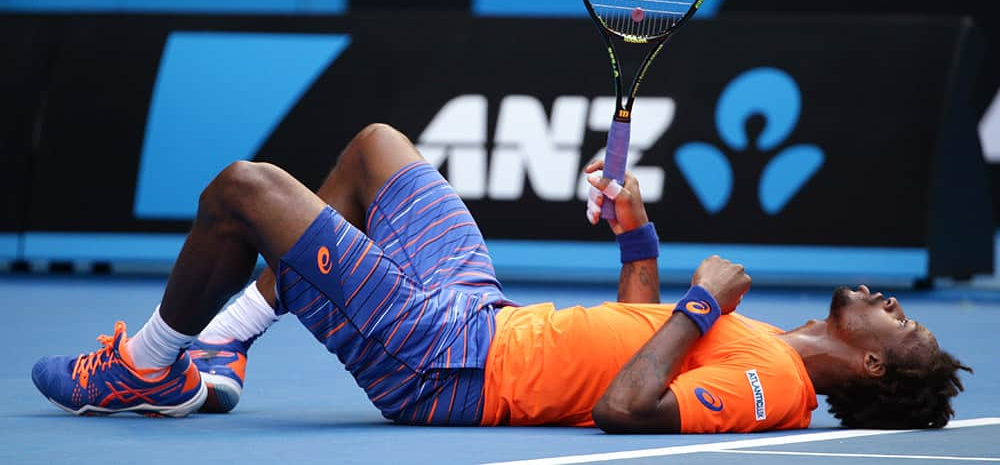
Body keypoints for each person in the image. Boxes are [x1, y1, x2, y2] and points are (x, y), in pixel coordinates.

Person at [31, 124, 970, 431]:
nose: (895, 309)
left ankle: (151, 363)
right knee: (376, 149)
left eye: (907, 329)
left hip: (449, 365)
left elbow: (625, 406)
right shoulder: (763, 349)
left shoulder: (776, 388)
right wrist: (637, 237)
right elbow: (635, 330)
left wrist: (699, 301)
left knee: (246, 190)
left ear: (876, 370)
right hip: (485, 315)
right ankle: (226, 347)